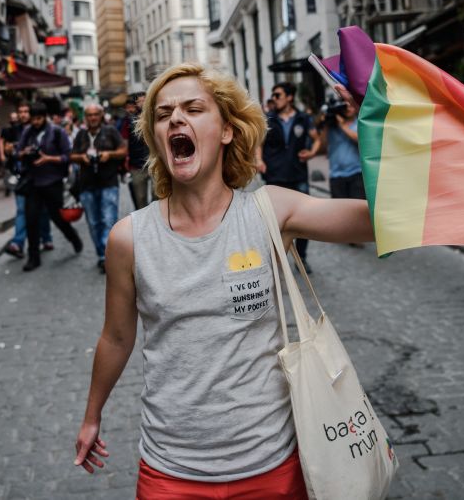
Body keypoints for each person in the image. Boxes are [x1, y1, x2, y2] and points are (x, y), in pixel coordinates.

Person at [73, 64, 376, 495]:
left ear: (228, 131)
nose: (176, 118)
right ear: (157, 140)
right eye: (163, 115)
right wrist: (91, 415)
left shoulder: (270, 210)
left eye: (194, 108)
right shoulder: (129, 237)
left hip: (270, 466)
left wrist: (375, 123)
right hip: (170, 474)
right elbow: (117, 338)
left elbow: (380, 223)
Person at [256, 81, 320, 272]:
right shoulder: (268, 119)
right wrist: (259, 160)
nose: (274, 99)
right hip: (274, 175)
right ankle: (275, 261)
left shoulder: (303, 118)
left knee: (305, 220)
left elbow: (316, 138)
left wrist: (312, 153)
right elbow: (259, 143)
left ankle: (301, 258)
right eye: (273, 96)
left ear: (290, 97)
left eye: (278, 95)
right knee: (273, 222)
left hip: (298, 174)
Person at [16, 102, 84, 271]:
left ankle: (73, 237)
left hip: (52, 182)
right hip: (32, 182)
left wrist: (48, 158)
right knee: (31, 219)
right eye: (33, 119)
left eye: (39, 118)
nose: (36, 122)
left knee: (57, 217)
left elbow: (68, 156)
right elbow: (18, 153)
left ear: (44, 117)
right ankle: (33, 257)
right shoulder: (27, 132)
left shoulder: (56, 131)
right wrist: (23, 153)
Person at [71, 103, 127, 274]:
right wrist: (81, 157)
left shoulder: (110, 131)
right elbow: (72, 156)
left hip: (108, 182)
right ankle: (101, 254)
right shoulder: (81, 134)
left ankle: (106, 257)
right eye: (89, 115)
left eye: (96, 114)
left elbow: (123, 150)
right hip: (87, 185)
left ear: (101, 116)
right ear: (85, 117)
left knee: (108, 219)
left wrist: (109, 154)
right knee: (94, 223)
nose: (93, 118)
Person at [2, 104, 52, 255]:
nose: (23, 114)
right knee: (21, 209)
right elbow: (7, 149)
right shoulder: (13, 130)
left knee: (42, 209)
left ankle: (46, 238)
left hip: (40, 175)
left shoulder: (42, 130)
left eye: (26, 112)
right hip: (22, 176)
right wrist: (10, 150)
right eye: (20, 111)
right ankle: (18, 243)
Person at [319, 95, 366, 248]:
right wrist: (326, 124)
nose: (349, 108)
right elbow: (323, 145)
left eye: (352, 106)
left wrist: (342, 125)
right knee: (340, 210)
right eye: (346, 106)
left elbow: (359, 139)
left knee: (357, 208)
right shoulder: (332, 126)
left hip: (356, 171)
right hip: (336, 173)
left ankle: (356, 236)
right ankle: (344, 233)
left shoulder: (360, 123)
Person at [118, 93, 151, 210]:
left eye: (144, 100)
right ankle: (145, 225)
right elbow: (124, 143)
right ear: (136, 104)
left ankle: (158, 220)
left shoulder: (155, 116)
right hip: (136, 164)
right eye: (139, 101)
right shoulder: (129, 121)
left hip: (155, 162)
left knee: (159, 194)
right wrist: (125, 162)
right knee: (140, 199)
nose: (142, 103)